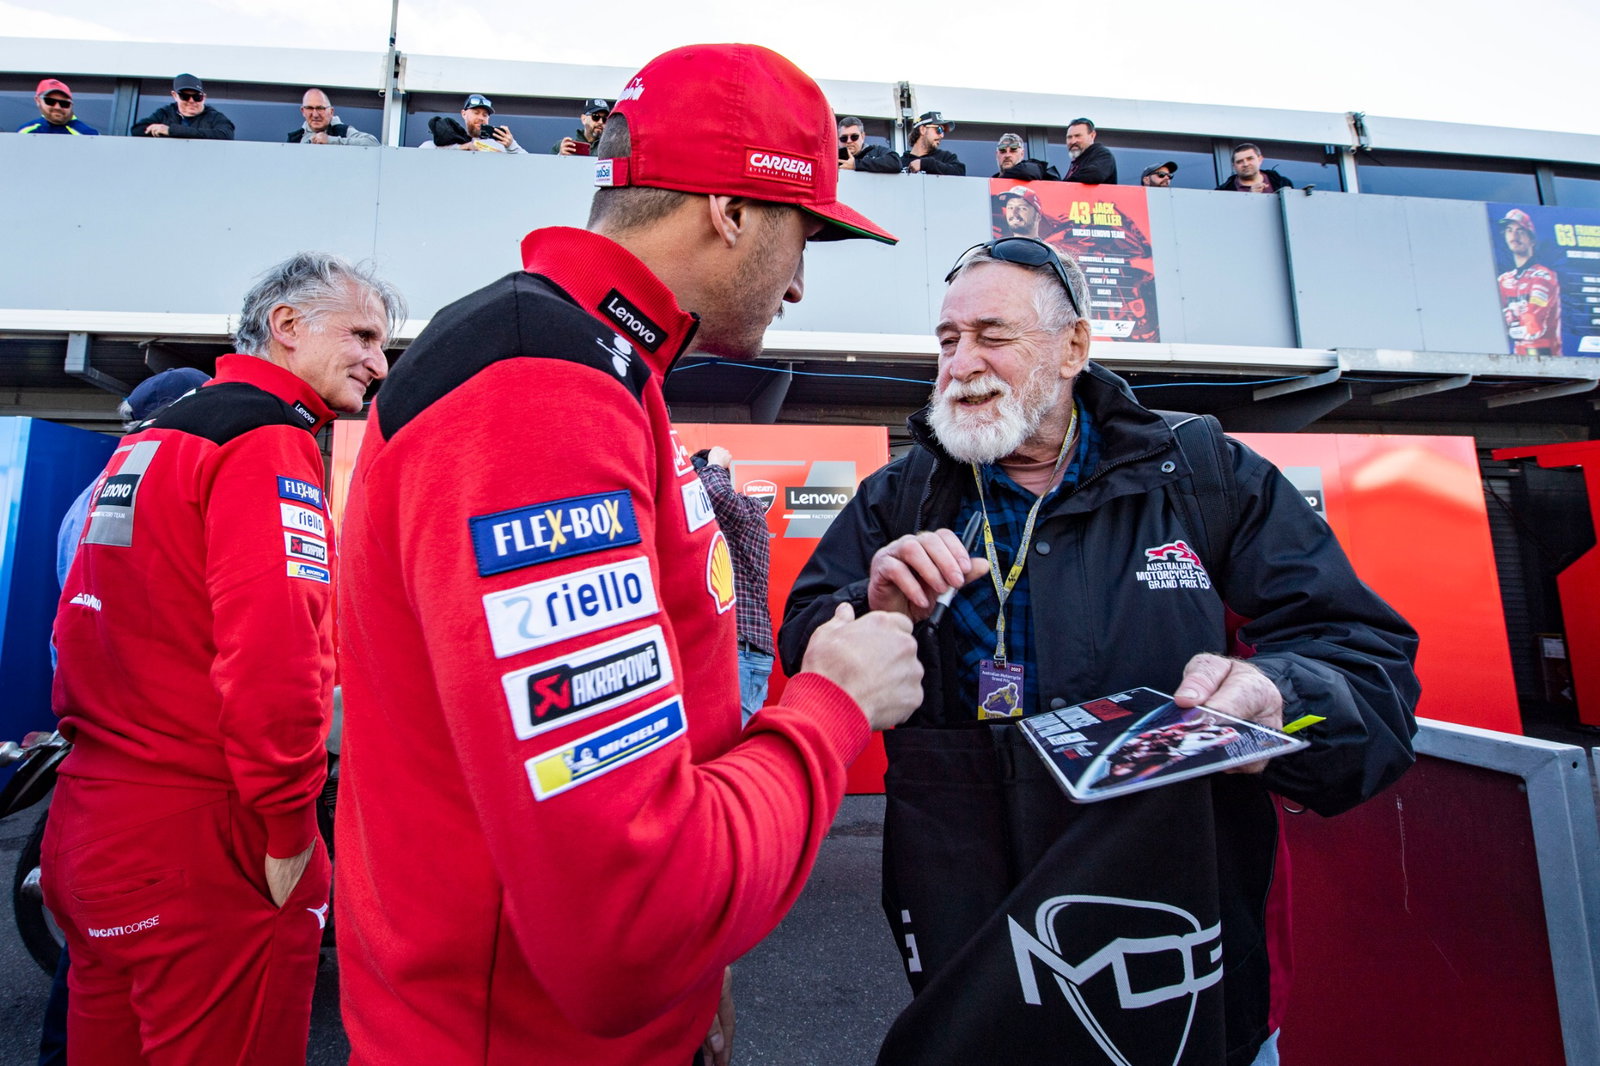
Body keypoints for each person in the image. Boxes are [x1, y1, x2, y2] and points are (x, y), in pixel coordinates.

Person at [335, 41, 924, 1066]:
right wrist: (833, 704)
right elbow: (629, 919)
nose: (795, 289)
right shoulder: (538, 384)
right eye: (803, 238)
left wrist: (705, 975)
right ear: (731, 214)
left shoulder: (596, 368)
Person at [780, 237, 1420, 1065]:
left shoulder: (1203, 474)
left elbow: (1365, 663)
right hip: (968, 924)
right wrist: (873, 608)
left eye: (992, 336)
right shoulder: (901, 493)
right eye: (947, 340)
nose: (960, 364)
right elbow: (804, 637)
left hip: (1179, 935)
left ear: (1074, 348)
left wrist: (1274, 691)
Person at [43, 252, 403, 1065]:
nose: (379, 364)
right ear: (286, 327)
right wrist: (287, 834)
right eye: (363, 335)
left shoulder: (158, 438)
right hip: (203, 841)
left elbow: (79, 626)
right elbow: (277, 656)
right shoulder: (263, 437)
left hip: (94, 820)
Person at [38, 366, 212, 1066]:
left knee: (102, 943)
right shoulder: (148, 491)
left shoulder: (99, 492)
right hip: (145, 756)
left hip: (98, 742)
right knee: (129, 945)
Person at [693, 446, 776, 725]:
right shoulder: (710, 530)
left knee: (734, 744)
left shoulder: (748, 509)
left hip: (744, 651)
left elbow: (716, 493)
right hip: (728, 652)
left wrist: (714, 463)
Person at [1495, 208, 1562, 356]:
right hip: (1517, 360)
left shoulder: (1543, 276)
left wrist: (1511, 316)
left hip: (1546, 360)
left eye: (1521, 231)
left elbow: (1534, 327)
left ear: (1532, 240)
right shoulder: (1504, 279)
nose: (1514, 235)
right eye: (1509, 230)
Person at [132, 74, 235, 139]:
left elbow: (225, 134)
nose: (191, 101)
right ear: (174, 96)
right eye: (185, 96)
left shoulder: (214, 117)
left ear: (204, 97)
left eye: (196, 97)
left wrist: (170, 131)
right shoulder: (165, 113)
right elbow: (138, 130)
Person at [419, 93, 523, 153]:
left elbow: (531, 164)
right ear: (464, 114)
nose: (481, 118)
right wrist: (460, 147)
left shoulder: (498, 145)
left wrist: (511, 145)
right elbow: (423, 150)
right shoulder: (453, 139)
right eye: (476, 113)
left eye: (485, 115)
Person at [287, 88, 378, 146]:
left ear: (331, 112)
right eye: (310, 108)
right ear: (303, 111)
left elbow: (373, 143)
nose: (315, 114)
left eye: (320, 108)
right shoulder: (295, 139)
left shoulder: (343, 131)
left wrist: (331, 141)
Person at [15, 78, 97, 136]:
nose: (57, 107)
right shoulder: (26, 132)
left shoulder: (88, 135)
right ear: (38, 100)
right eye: (50, 101)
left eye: (64, 103)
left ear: (72, 105)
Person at [1216, 143, 1294, 193]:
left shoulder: (1283, 183)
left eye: (1250, 159)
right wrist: (1250, 197)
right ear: (1234, 166)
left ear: (1260, 159)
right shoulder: (1223, 192)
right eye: (1239, 161)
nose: (1245, 164)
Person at [1063, 117, 1116, 184]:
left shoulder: (1103, 154)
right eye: (1069, 137)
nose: (1073, 141)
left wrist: (1064, 184)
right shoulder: (1079, 160)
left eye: (1078, 136)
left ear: (1092, 135)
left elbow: (1095, 174)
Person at [992, 132, 1059, 181]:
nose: (1007, 155)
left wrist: (1001, 179)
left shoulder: (1031, 168)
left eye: (1013, 150)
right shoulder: (988, 184)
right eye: (1003, 151)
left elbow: (1028, 171)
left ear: (1022, 154)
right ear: (996, 155)